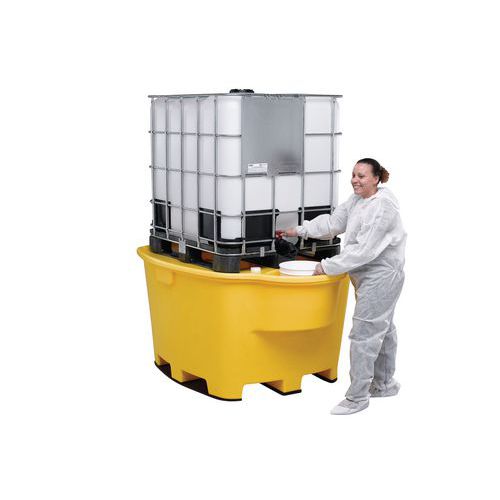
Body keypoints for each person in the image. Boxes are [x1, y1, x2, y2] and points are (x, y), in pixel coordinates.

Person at [276, 158, 406, 415]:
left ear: (376, 179)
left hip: (381, 275)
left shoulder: (382, 207)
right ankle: (384, 384)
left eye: (362, 176)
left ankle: (357, 398)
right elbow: (333, 224)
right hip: (365, 273)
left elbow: (364, 250)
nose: (355, 180)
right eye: (354, 175)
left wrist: (326, 266)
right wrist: (298, 230)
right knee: (383, 327)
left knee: (364, 334)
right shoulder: (357, 200)